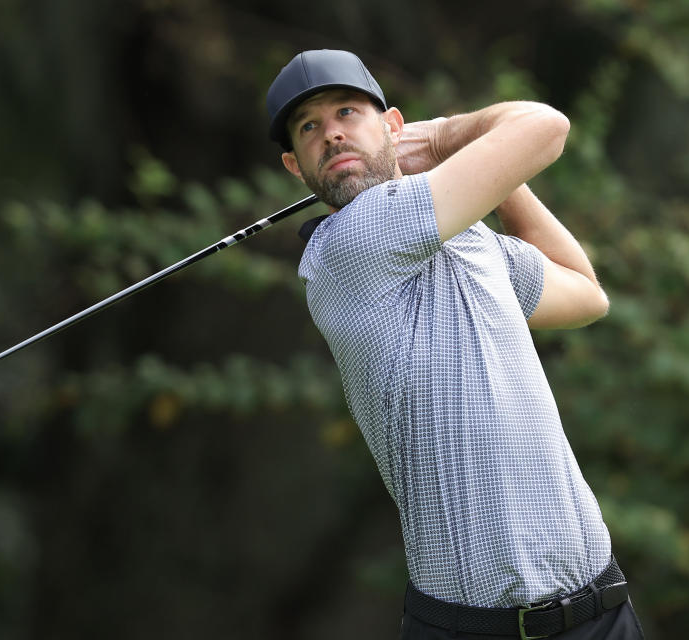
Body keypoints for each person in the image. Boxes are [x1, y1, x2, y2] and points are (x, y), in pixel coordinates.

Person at [266, 49, 644, 639]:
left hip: (599, 609)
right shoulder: (348, 245)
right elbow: (547, 127)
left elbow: (588, 294)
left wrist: (485, 177)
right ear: (296, 164)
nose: (332, 133)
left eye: (346, 111)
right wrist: (445, 138)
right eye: (310, 127)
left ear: (392, 126)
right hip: (473, 629)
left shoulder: (475, 245)